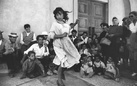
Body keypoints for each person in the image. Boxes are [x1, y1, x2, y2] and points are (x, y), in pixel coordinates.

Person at [48, 7, 80, 86]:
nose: (58, 16)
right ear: (55, 16)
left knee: (70, 59)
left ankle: (60, 73)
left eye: (60, 14)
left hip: (66, 44)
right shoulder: (54, 24)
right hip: (58, 44)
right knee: (63, 61)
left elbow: (69, 28)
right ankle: (59, 81)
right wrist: (60, 35)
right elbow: (50, 35)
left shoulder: (65, 24)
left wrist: (75, 23)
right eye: (57, 14)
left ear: (63, 15)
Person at [128, 11, 137, 77]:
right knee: (133, 58)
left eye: (132, 16)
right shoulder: (130, 25)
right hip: (132, 41)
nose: (131, 17)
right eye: (130, 16)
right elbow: (132, 32)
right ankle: (134, 71)